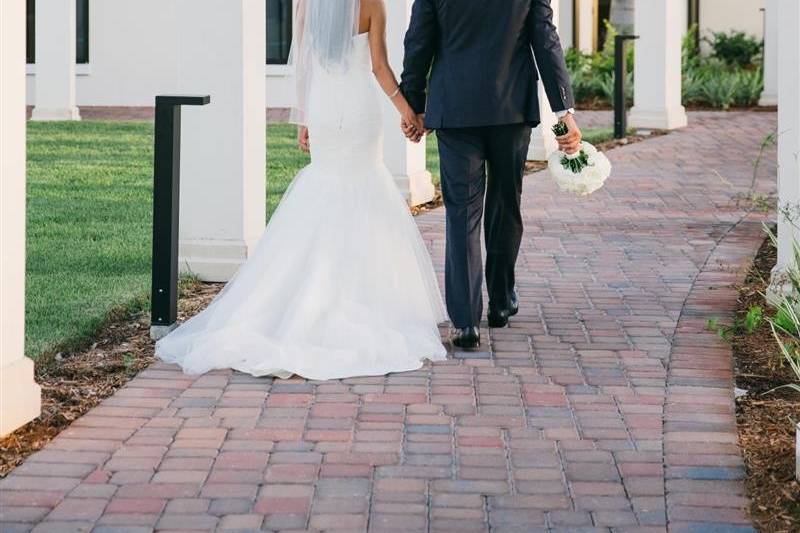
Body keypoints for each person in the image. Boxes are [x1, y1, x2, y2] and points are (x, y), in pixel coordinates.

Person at [155, 0, 448, 380]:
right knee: (363, 188)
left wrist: (306, 116)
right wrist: (406, 110)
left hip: (324, 109)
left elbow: (306, 65)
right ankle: (355, 297)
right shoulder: (372, 4)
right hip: (358, 111)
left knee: (324, 188)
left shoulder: (308, 4)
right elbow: (378, 67)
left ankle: (305, 296)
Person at [399, 0, 582, 348]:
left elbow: (418, 40)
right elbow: (545, 39)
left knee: (462, 213)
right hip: (510, 108)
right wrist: (564, 110)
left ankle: (466, 323)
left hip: (455, 108)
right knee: (505, 204)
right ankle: (500, 300)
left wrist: (413, 104)